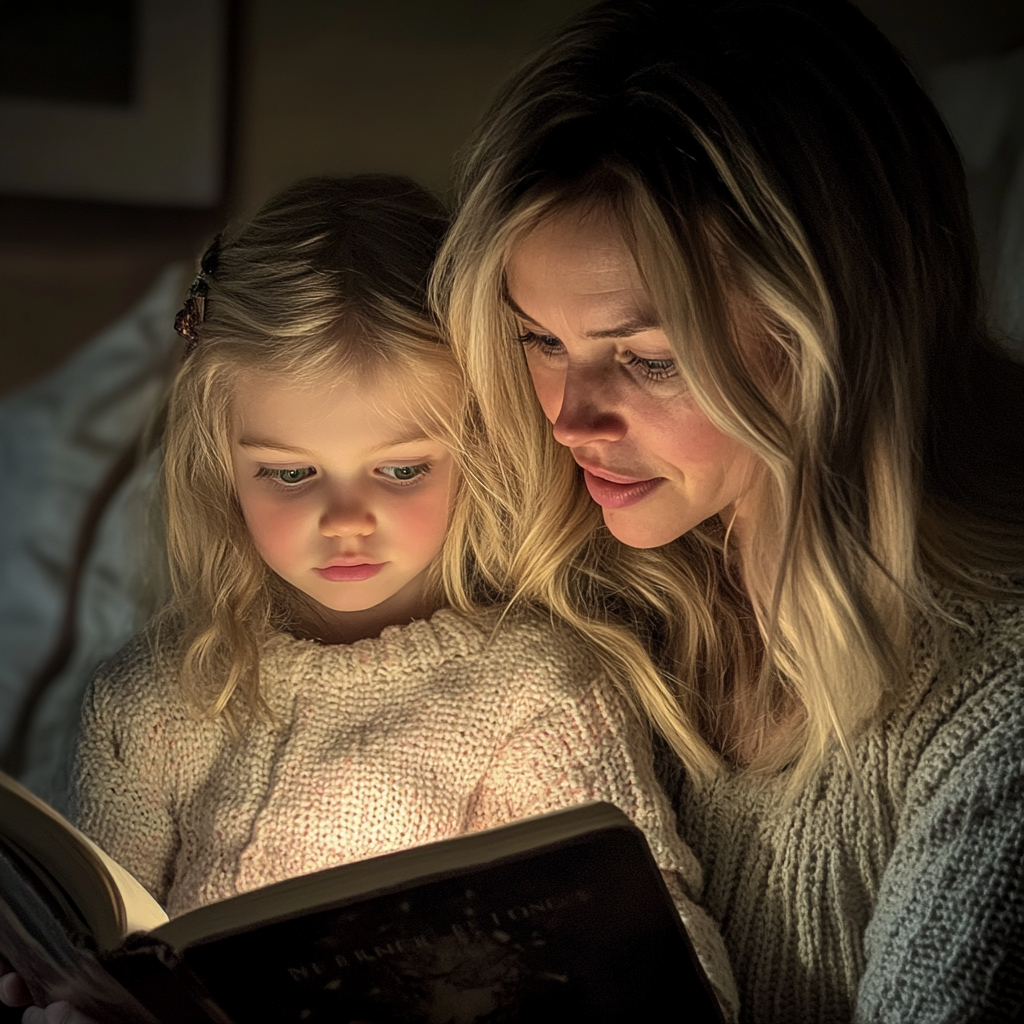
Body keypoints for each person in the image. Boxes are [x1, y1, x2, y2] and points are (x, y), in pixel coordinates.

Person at [0, 175, 738, 1022]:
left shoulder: (539, 696)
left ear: (480, 451)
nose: (345, 520)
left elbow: (667, 960)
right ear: (221, 468)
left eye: (400, 469)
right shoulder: (148, 704)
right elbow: (99, 947)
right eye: (288, 473)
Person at [432, 0, 1024, 1021]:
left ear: (833, 332)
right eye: (540, 341)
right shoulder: (589, 606)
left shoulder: (993, 702)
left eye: (647, 358)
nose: (570, 419)